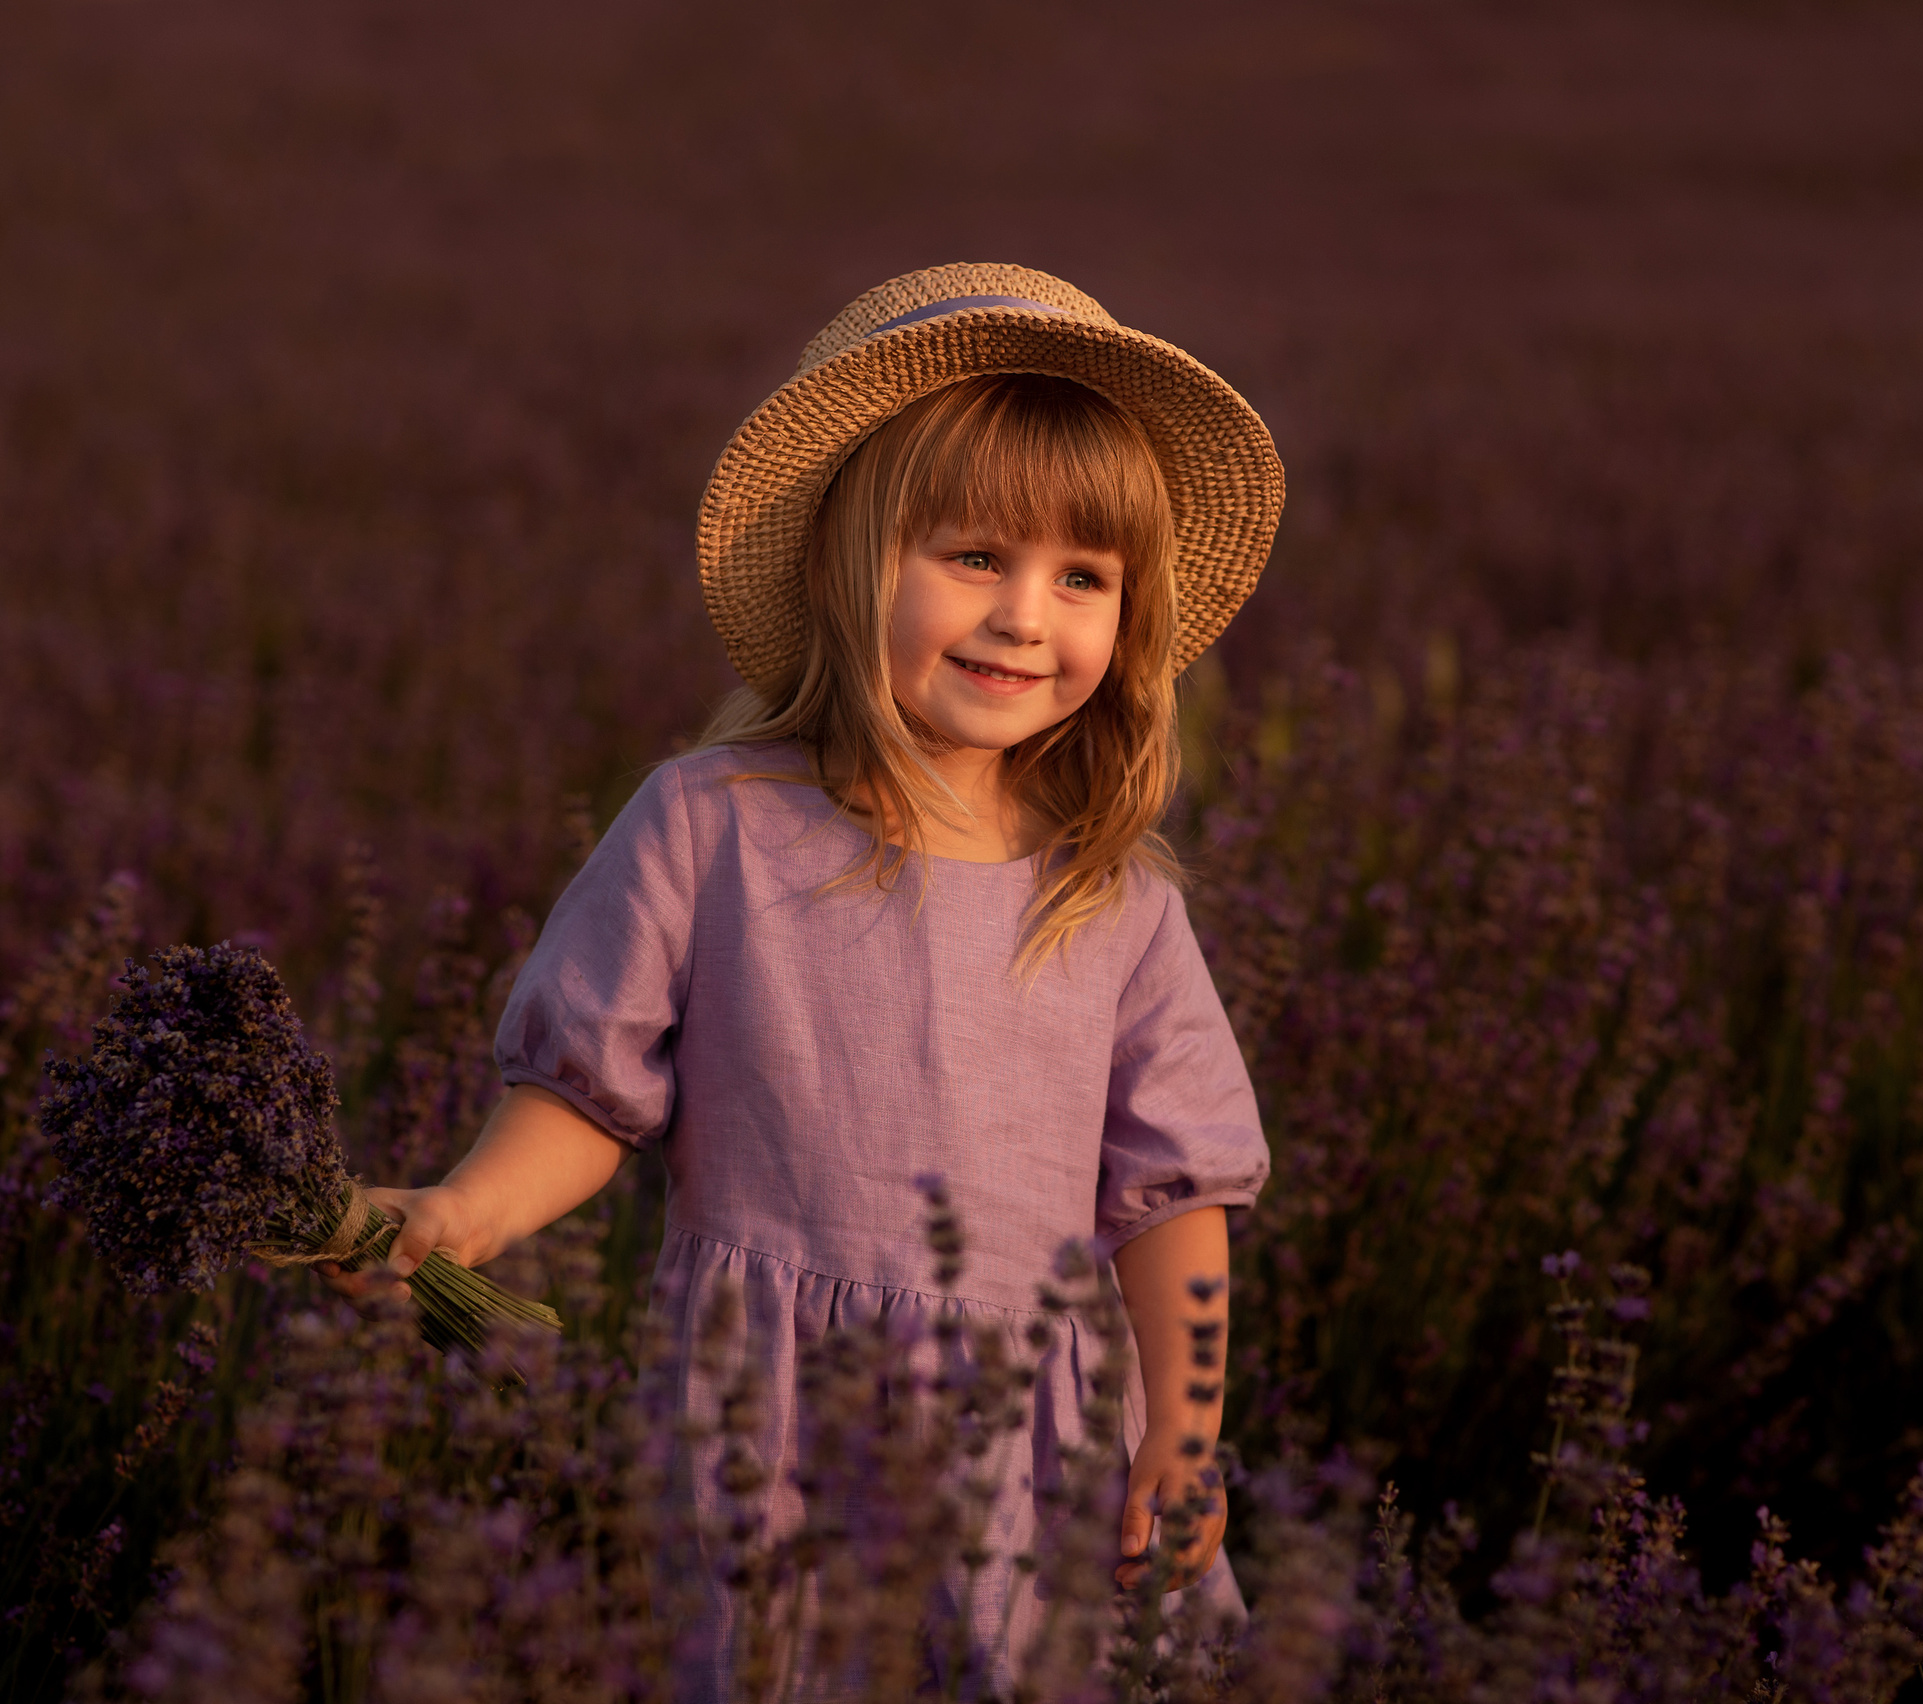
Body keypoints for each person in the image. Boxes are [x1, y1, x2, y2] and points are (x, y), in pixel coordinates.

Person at [318, 262, 1283, 1698]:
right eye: (975, 557)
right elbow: (589, 1089)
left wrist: (1185, 1429)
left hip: (1044, 1434)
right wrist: (467, 1208)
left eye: (1082, 578)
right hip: (770, 1414)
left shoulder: (1110, 894)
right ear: (852, 558)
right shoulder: (716, 824)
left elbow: (1175, 1193)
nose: (1028, 616)